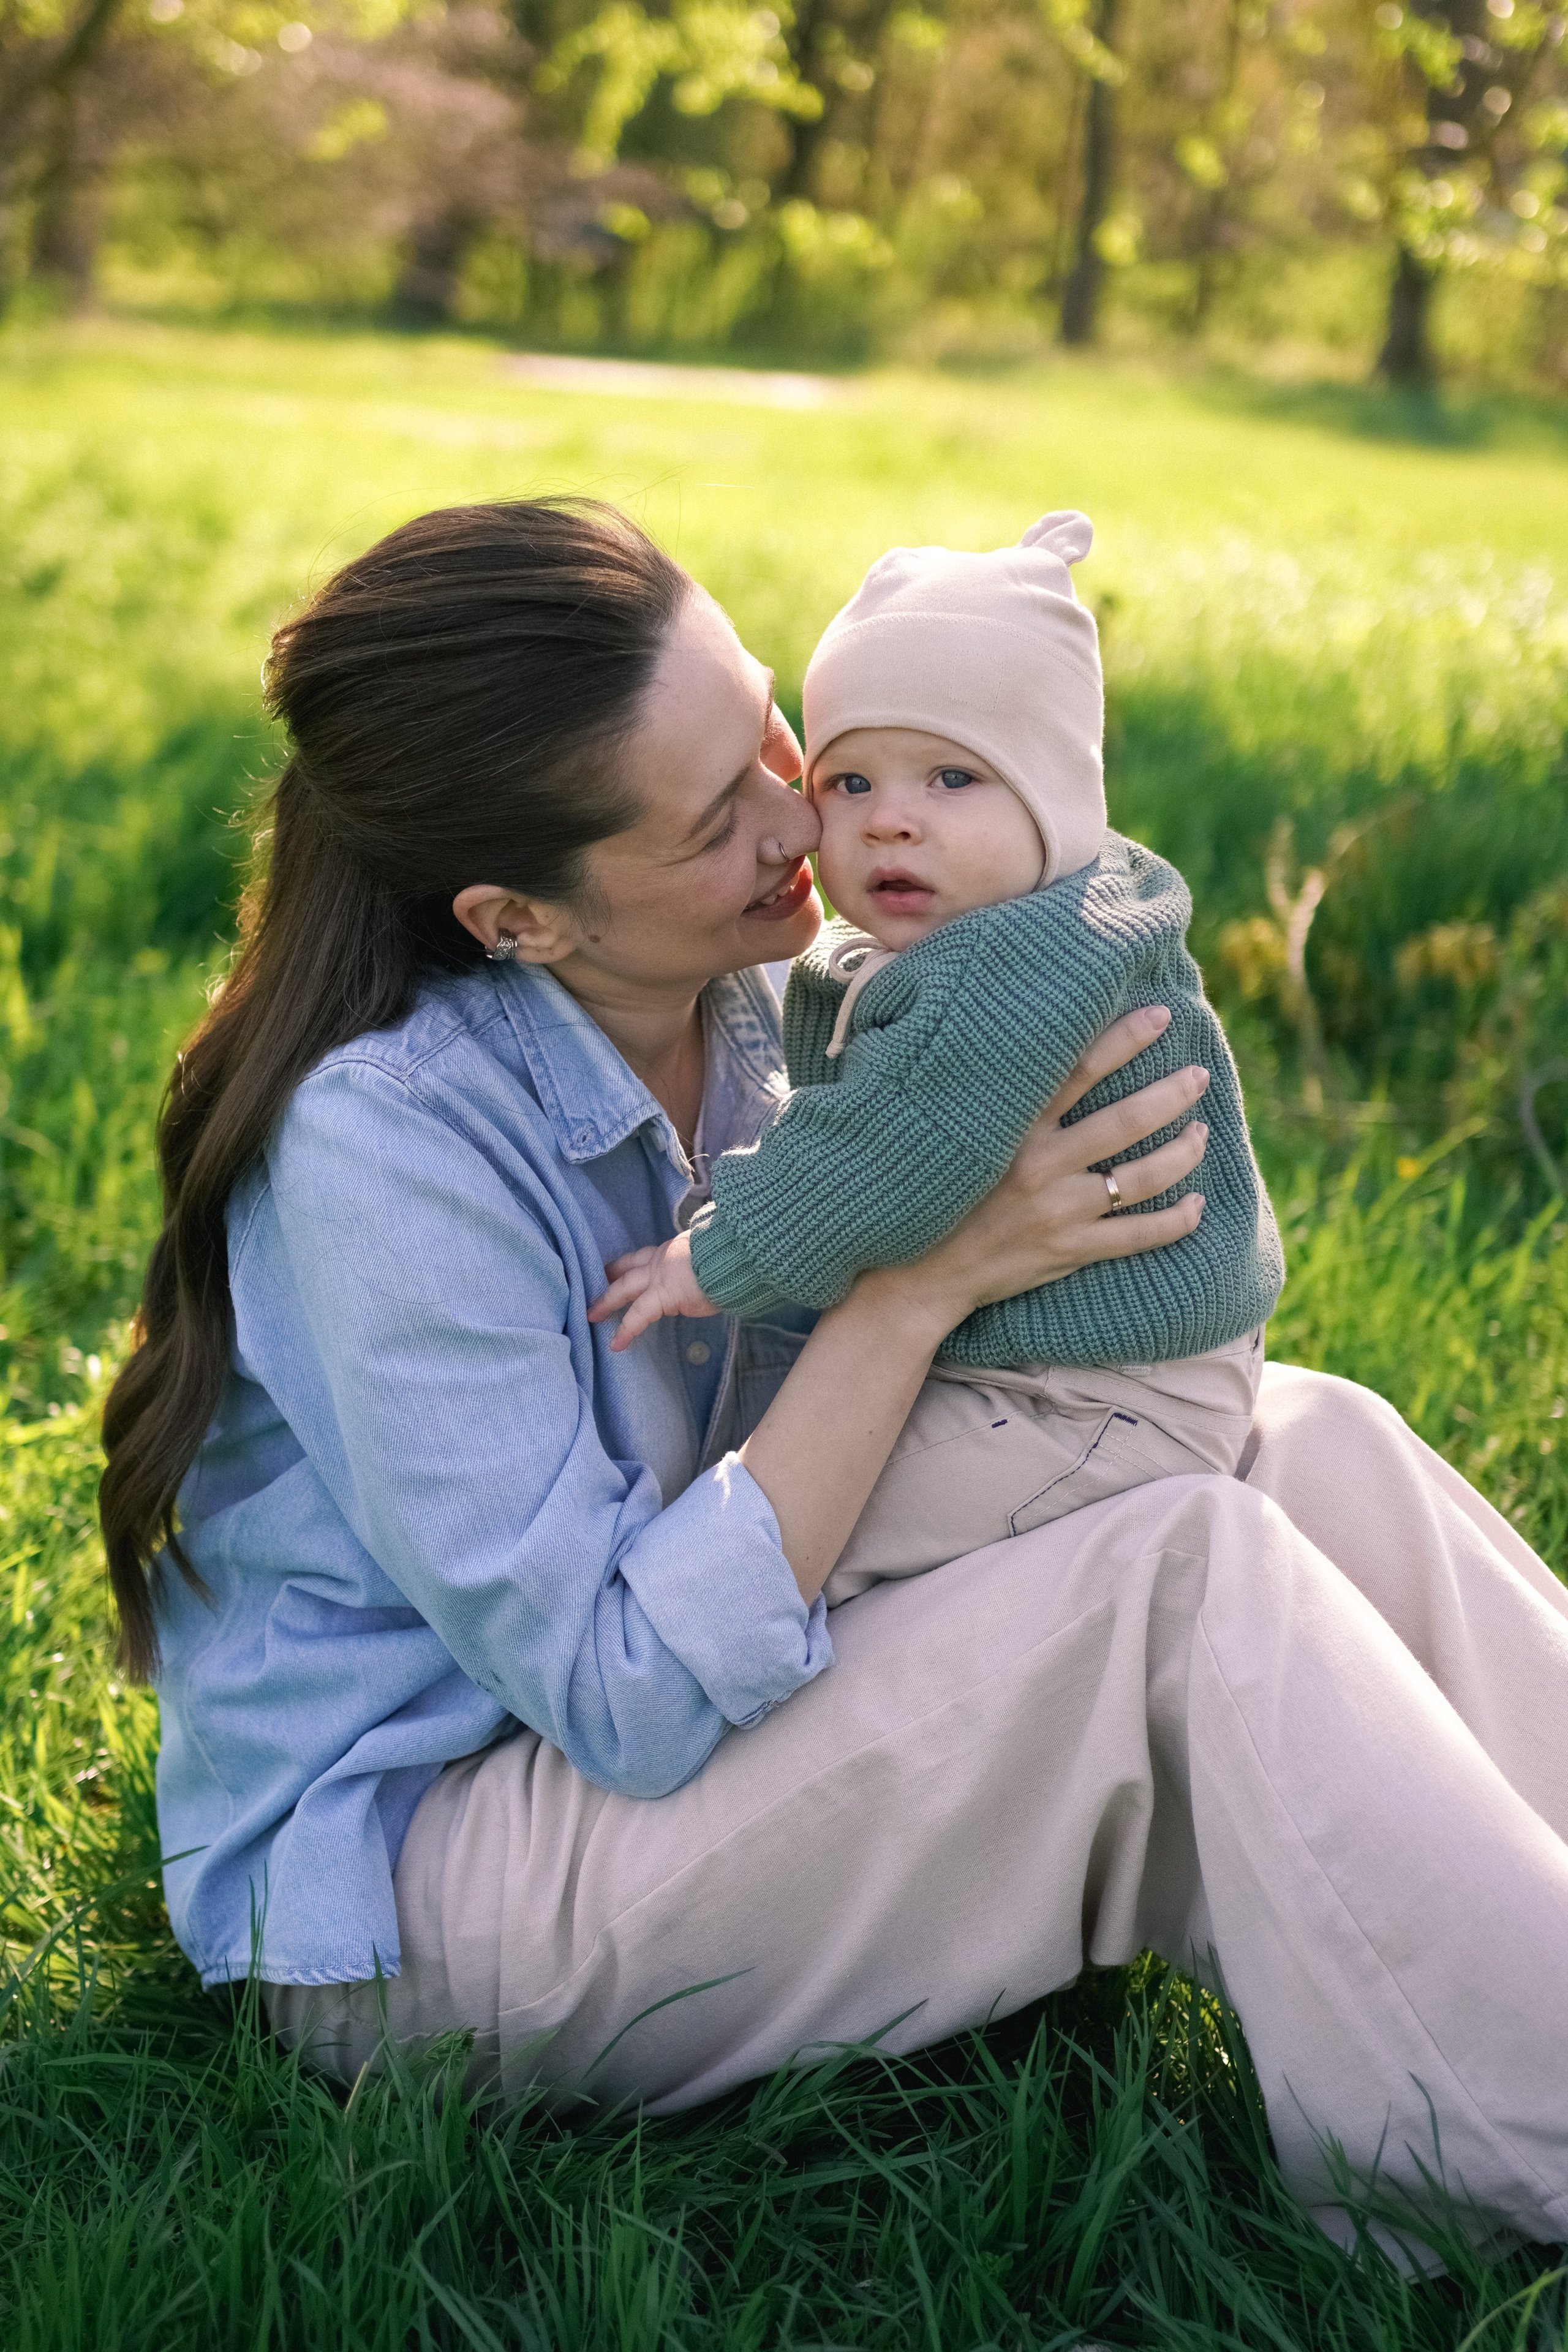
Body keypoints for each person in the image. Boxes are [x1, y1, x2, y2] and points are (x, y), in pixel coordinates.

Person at [98, 498, 1568, 2269]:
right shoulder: (385, 1154)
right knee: (1182, 1575)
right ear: (518, 918)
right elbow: (621, 1692)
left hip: (681, 1736)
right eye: (719, 817)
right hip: (439, 1893)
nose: (810, 814)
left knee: (1306, 1441)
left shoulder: (761, 986)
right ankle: (1526, 2153)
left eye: (772, 731)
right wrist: (920, 1287)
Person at [591, 511, 1283, 1602]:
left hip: (1091, 1400)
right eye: (852, 784)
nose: (890, 824)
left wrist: (712, 1260)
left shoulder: (1005, 971)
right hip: (1103, 1372)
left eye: (953, 781)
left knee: (798, 1562)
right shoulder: (1050, 911)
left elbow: (880, 1157)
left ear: (1056, 798)